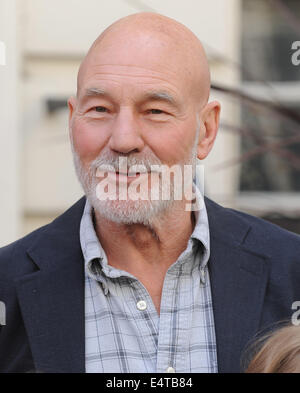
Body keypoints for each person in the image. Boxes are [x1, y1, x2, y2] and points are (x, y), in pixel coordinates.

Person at [0, 12, 300, 373]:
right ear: (72, 119)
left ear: (206, 130)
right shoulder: (7, 288)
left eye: (155, 111)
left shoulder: (291, 271)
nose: (123, 140)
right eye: (99, 109)